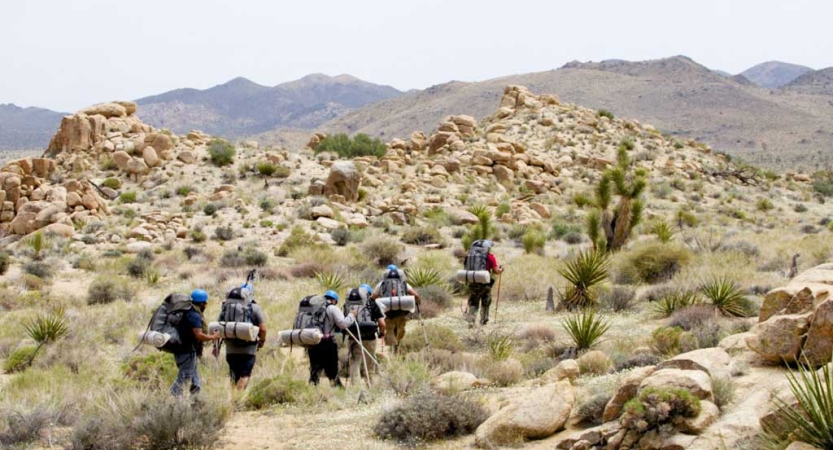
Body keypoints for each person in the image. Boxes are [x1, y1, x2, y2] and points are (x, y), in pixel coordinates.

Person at [215, 282, 267, 391]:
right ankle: (238, 399)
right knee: (245, 375)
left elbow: (218, 327)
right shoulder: (254, 307)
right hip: (248, 348)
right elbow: (263, 329)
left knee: (234, 375)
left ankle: (233, 397)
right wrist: (262, 341)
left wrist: (215, 347)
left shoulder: (225, 307)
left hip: (230, 348)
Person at [170, 289, 220, 397]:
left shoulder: (186, 312)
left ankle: (196, 401)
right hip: (187, 351)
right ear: (202, 303)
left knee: (195, 379)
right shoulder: (194, 315)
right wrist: (213, 336)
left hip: (181, 349)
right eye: (205, 303)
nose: (206, 305)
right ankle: (172, 399)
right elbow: (199, 335)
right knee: (185, 376)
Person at [308, 290, 356, 387]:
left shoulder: (313, 308)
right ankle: (337, 388)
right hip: (327, 342)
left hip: (312, 341)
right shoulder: (333, 308)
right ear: (334, 300)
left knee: (315, 368)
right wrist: (352, 315)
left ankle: (312, 389)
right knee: (332, 368)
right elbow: (343, 324)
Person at [370, 265, 420, 353]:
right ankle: (396, 350)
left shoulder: (381, 284)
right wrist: (416, 302)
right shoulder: (403, 283)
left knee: (389, 332)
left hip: (387, 314)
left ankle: (392, 352)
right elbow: (416, 295)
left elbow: (373, 298)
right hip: (401, 313)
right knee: (400, 331)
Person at [346, 284, 386, 386]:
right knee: (370, 360)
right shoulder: (373, 304)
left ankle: (355, 385)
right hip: (370, 337)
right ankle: (370, 382)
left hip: (353, 337)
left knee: (355, 361)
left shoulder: (348, 304)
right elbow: (382, 323)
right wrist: (382, 333)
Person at [466, 240, 503, 327]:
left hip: (472, 282)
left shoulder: (469, 256)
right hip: (485, 284)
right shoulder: (490, 256)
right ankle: (483, 322)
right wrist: (501, 269)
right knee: (485, 302)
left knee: (473, 303)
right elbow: (496, 271)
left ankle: (471, 322)